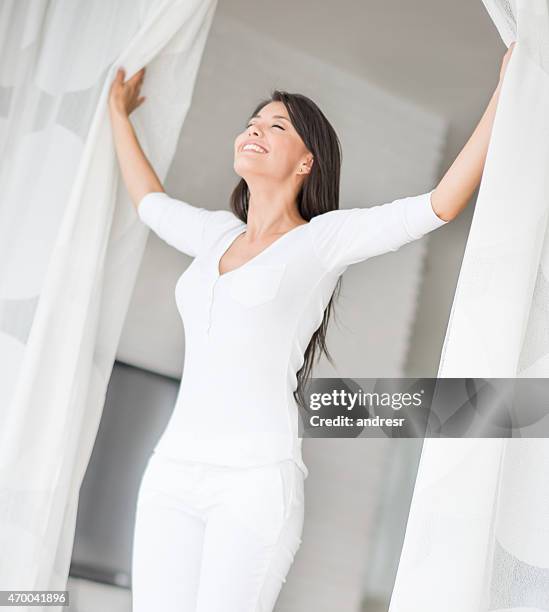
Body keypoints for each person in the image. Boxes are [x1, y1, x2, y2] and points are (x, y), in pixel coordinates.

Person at [108, 41, 514, 612]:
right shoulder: (216, 237)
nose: (254, 129)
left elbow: (438, 206)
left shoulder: (322, 242)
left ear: (306, 161)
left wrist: (506, 93)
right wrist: (117, 115)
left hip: (252, 483)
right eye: (251, 123)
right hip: (171, 472)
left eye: (275, 126)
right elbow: (149, 200)